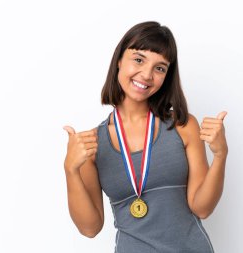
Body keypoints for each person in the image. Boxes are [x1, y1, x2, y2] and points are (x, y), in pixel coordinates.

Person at [63, 21, 228, 253]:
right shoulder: (92, 144)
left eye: (160, 68)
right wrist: (70, 170)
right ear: (119, 60)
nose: (147, 74)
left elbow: (202, 208)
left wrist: (220, 156)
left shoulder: (182, 126)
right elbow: (90, 228)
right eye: (139, 60)